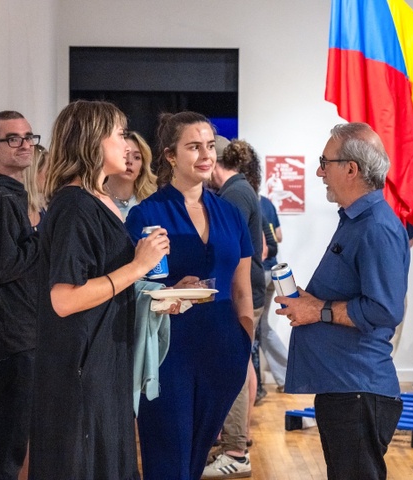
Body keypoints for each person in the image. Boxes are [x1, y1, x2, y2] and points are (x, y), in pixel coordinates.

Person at [29, 100, 171, 479]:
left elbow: (107, 284)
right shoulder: (75, 206)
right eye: (119, 134)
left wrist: (155, 296)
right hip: (81, 370)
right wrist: (138, 266)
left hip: (103, 364)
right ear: (92, 141)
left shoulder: (98, 200)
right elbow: (64, 299)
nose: (128, 145)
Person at [276, 122, 409, 480]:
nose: (319, 171)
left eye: (325, 161)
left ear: (351, 169)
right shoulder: (357, 221)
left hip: (358, 389)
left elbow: (385, 310)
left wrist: (316, 309)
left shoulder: (375, 227)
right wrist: (311, 301)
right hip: (345, 387)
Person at [125, 112, 254, 480]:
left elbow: (242, 289)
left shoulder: (230, 213)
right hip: (169, 351)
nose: (206, 155)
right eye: (194, 147)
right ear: (169, 156)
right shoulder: (146, 213)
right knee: (167, 459)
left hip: (224, 351)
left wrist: (244, 342)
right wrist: (168, 291)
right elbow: (131, 288)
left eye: (210, 146)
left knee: (196, 461)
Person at [0, 111, 41, 479]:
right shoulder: (0, 198)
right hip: (12, 337)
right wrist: (41, 239)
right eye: (12, 139)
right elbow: (2, 266)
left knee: (8, 436)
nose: (23, 145)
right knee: (7, 440)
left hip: (12, 335)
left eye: (28, 137)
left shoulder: (7, 195)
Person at [203, 138, 265, 478]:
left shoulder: (235, 194)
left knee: (236, 371)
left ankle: (236, 450)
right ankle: (237, 441)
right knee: (244, 367)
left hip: (241, 292)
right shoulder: (239, 190)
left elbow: (228, 250)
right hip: (244, 290)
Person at [258, 194, 289, 391]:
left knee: (260, 327)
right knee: (261, 326)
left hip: (259, 271)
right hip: (272, 271)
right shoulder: (267, 202)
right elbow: (279, 236)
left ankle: (288, 375)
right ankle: (287, 376)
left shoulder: (242, 199)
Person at [104, 130, 157, 220]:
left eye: (137, 157)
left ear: (142, 168)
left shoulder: (151, 202)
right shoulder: (94, 197)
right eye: (125, 154)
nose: (129, 161)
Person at [23, 143, 48, 228]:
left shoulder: (43, 210)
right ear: (33, 173)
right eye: (48, 171)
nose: (52, 176)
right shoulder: (14, 211)